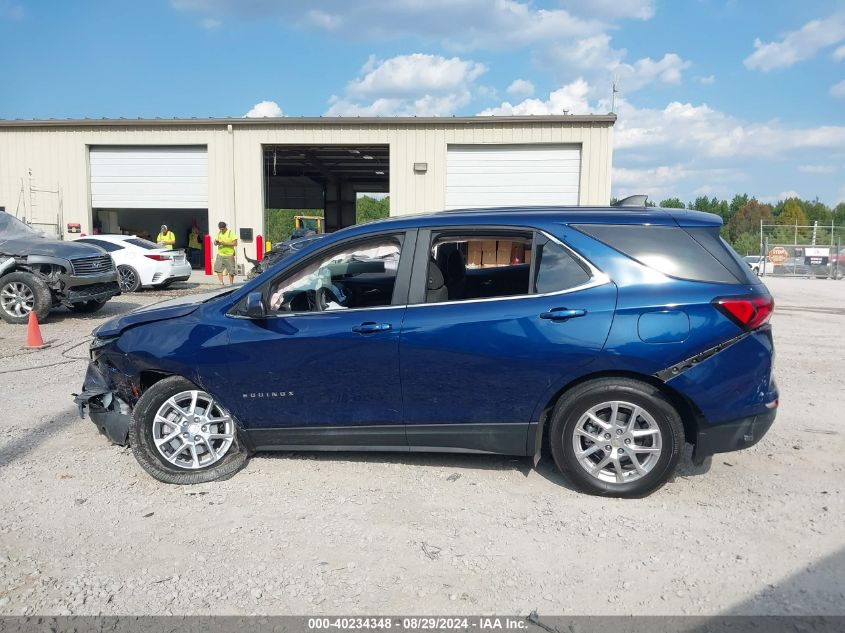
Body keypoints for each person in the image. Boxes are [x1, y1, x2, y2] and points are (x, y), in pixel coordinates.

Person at [214, 221, 238, 285]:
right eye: (220, 229)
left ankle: (231, 283)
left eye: (222, 229)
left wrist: (225, 243)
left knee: (231, 270)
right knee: (218, 269)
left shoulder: (231, 233)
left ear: (225, 227)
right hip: (220, 254)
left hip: (229, 255)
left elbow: (235, 243)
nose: (221, 230)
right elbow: (215, 243)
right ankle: (221, 282)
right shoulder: (219, 233)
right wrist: (216, 242)